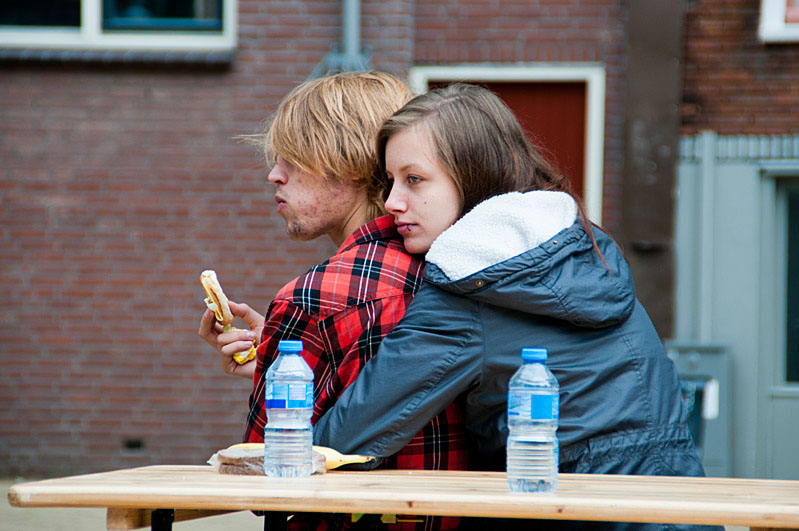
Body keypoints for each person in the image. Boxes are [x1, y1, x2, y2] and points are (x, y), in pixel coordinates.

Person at [311, 84, 720, 530]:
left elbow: (348, 438)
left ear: (474, 176)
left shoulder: (469, 285)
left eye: (414, 179)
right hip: (682, 508)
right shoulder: (576, 243)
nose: (392, 203)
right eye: (390, 182)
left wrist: (294, 355)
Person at [198, 72, 467, 531]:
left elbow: (268, 481)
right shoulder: (454, 269)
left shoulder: (316, 297)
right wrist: (280, 353)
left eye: (294, 158)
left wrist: (287, 347)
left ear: (353, 166)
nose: (274, 174)